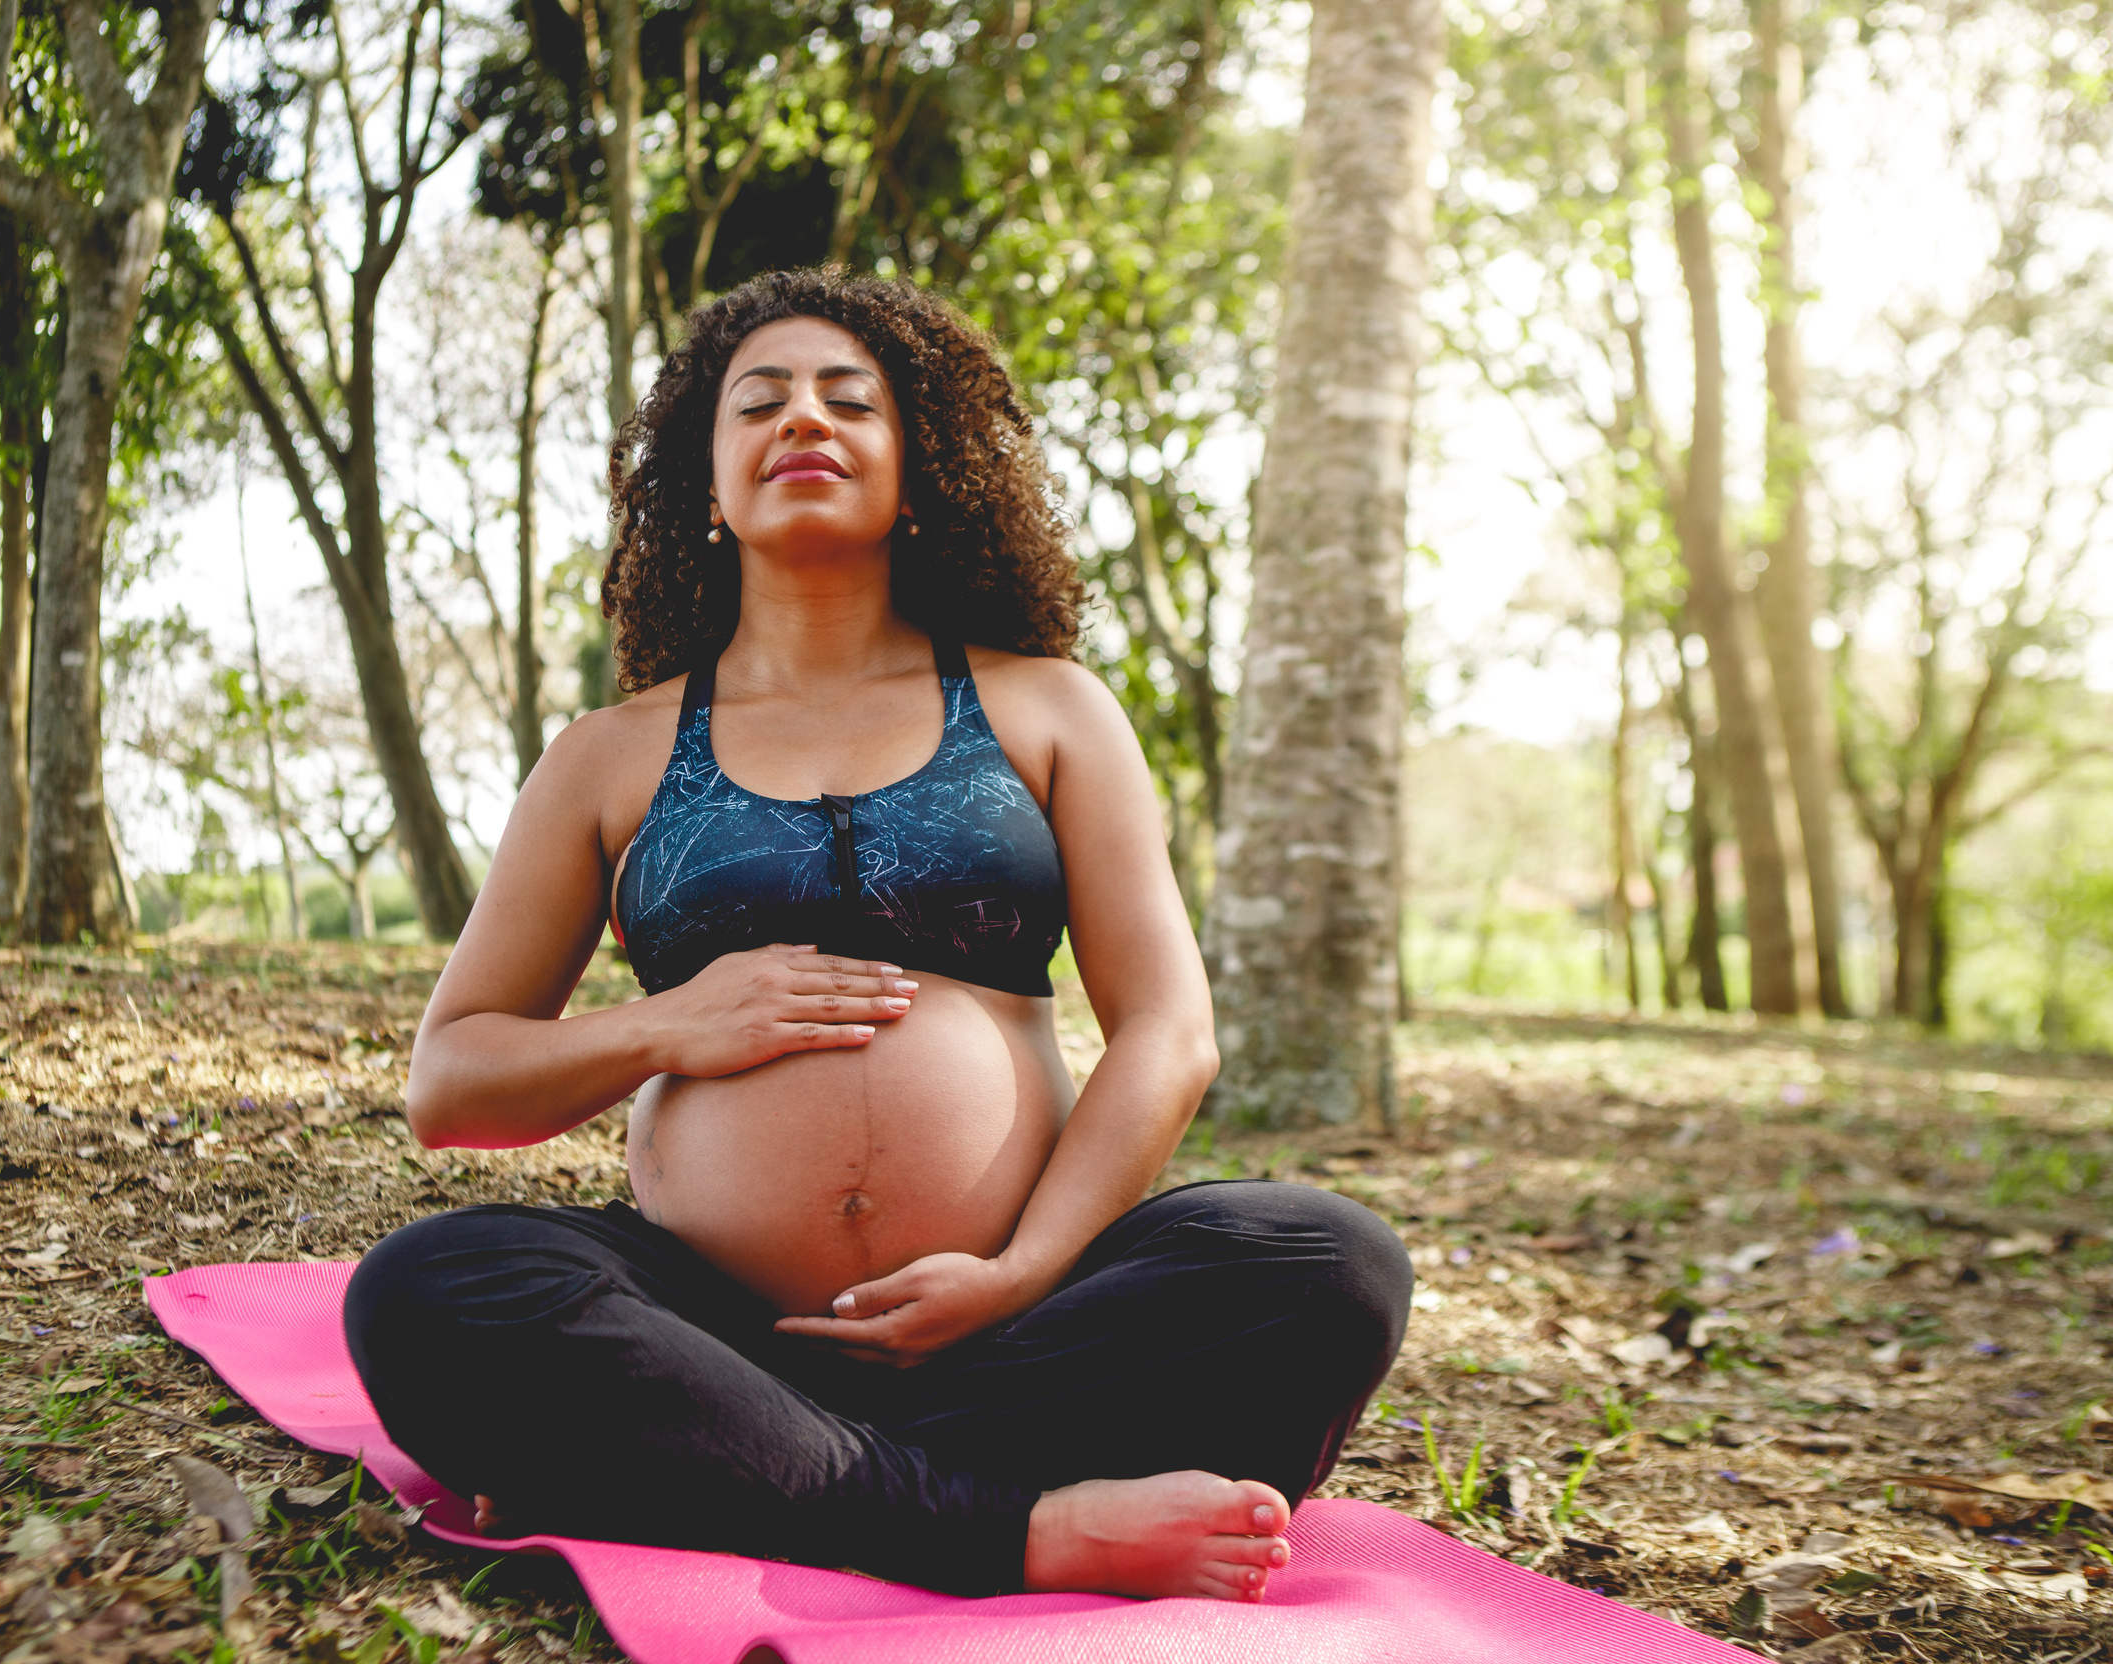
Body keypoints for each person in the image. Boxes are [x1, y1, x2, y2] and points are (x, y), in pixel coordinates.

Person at [345, 268, 1411, 1602]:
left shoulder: (1049, 709)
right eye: (759, 403)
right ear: (708, 486)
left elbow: (1170, 1034)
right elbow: (453, 1084)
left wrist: (1022, 1272)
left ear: (918, 476)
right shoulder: (607, 757)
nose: (805, 418)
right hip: (719, 1333)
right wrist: (675, 1023)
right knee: (432, 1290)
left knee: (1330, 1265)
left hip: (1020, 1325)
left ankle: (733, 1475)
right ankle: (1019, 1525)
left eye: (851, 399)